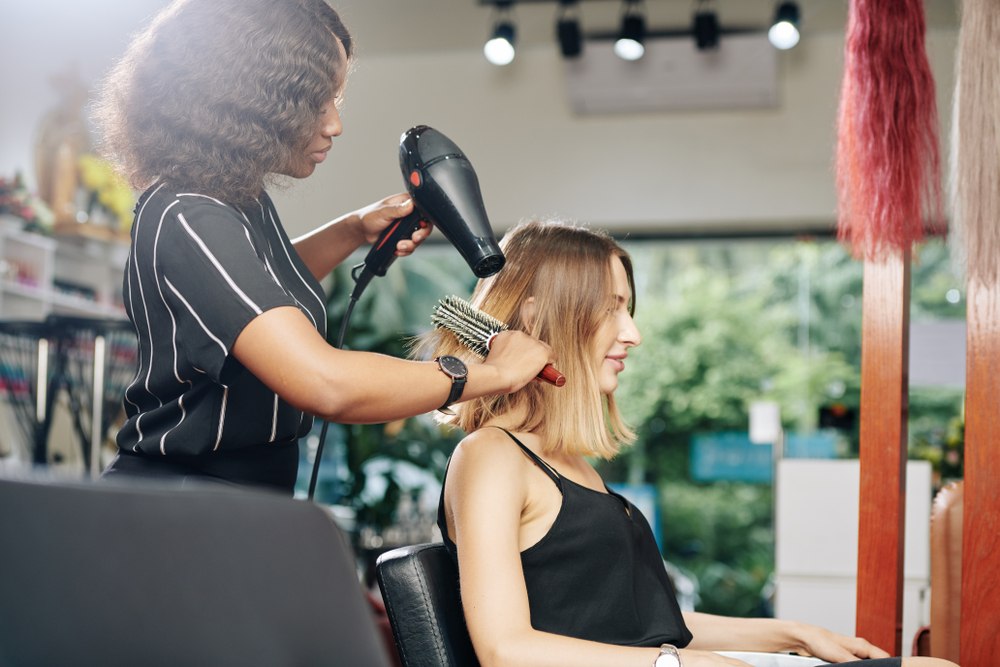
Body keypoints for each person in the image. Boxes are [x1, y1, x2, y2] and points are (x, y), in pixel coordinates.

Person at [424, 219, 959, 667]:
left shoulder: (567, 464)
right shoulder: (491, 456)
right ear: (539, 317)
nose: (631, 332)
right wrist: (675, 664)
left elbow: (648, 625)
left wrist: (794, 635)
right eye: (611, 308)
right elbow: (505, 649)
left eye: (628, 309)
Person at [91, 0, 552, 493]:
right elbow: (325, 383)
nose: (335, 124)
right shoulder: (188, 215)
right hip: (178, 504)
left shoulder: (236, 201)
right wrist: (493, 373)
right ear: (248, 101)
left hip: (243, 496)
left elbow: (255, 302)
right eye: (317, 103)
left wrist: (353, 230)